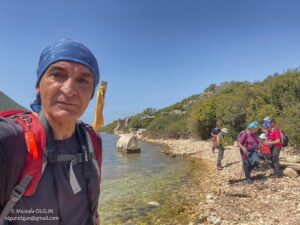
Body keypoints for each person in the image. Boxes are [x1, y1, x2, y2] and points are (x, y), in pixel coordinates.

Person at [0, 39, 102, 225]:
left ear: (91, 94)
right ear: (38, 85)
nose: (70, 90)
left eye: (83, 80)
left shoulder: (92, 141)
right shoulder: (11, 140)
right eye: (57, 74)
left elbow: (93, 212)